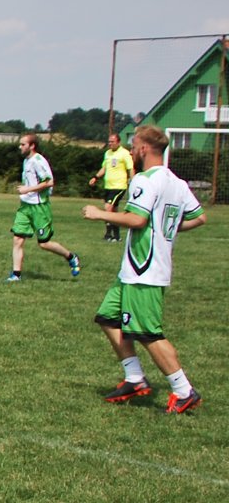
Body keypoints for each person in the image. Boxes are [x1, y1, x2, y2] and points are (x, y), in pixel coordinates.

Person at [82, 124, 205, 413]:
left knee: (149, 333)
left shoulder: (144, 180)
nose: (132, 150)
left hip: (144, 269)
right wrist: (167, 229)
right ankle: (135, 378)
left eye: (134, 145)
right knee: (108, 318)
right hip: (135, 271)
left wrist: (99, 214)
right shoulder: (177, 182)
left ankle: (184, 390)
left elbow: (137, 220)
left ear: (144, 148)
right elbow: (199, 217)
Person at [6, 132, 79, 282]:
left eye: (23, 144)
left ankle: (71, 257)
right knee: (17, 239)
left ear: (32, 146)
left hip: (39, 207)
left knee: (44, 243)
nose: (20, 147)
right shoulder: (26, 160)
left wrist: (28, 189)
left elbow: (49, 182)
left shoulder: (38, 161)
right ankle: (16, 275)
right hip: (25, 206)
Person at [88, 132, 135, 242]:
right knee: (113, 211)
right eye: (109, 142)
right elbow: (104, 168)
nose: (110, 144)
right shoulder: (108, 153)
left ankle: (108, 234)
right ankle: (117, 236)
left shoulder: (124, 153)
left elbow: (130, 168)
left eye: (112, 142)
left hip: (119, 186)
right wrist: (95, 177)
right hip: (108, 186)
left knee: (107, 208)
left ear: (118, 142)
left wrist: (134, 182)